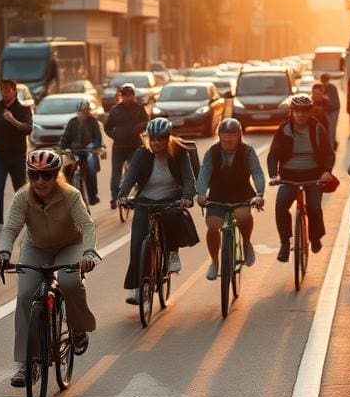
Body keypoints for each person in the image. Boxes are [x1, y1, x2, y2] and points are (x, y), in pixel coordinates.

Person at [0, 150, 98, 387]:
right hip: (36, 247)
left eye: (47, 175)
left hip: (69, 245)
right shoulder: (22, 197)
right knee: (24, 295)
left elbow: (88, 226)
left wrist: (88, 253)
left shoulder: (71, 195)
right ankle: (23, 363)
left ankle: (78, 329)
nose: (40, 181)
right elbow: (10, 229)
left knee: (70, 282)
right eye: (34, 175)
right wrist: (3, 252)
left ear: (56, 175)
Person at [117, 118, 196, 303]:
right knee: (137, 244)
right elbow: (130, 177)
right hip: (145, 199)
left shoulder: (180, 152)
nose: (156, 143)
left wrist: (187, 197)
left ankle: (172, 254)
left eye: (160, 139)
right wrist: (122, 195)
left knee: (173, 215)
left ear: (168, 138)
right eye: (153, 139)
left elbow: (188, 178)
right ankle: (137, 289)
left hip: (171, 198)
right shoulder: (141, 154)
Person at [194, 118, 266, 281]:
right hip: (218, 194)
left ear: (239, 136)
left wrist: (260, 194)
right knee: (213, 225)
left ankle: (246, 242)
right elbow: (204, 173)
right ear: (219, 136)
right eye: (224, 138)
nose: (227, 142)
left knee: (243, 216)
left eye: (231, 138)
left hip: (242, 192)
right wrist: (201, 193)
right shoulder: (212, 152)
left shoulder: (248, 151)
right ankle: (214, 261)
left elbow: (257, 173)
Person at [267, 94, 335, 262]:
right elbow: (273, 155)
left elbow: (328, 154)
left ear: (309, 111)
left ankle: (315, 237)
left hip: (313, 175)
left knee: (314, 208)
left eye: (304, 111)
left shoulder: (317, 128)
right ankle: (284, 243)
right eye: (297, 111)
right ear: (292, 112)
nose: (300, 115)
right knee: (281, 206)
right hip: (289, 176)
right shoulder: (284, 129)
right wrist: (274, 175)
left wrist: (327, 171)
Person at [0, 79, 33, 237]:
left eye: (7, 90)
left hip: (17, 155)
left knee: (20, 191)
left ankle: (25, 220)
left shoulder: (23, 109)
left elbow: (28, 129)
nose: (4, 93)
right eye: (2, 90)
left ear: (14, 91)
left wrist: (12, 120)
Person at [105, 83, 150, 209]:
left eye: (130, 95)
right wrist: (114, 135)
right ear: (122, 96)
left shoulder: (139, 108)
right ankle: (114, 199)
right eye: (125, 95)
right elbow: (107, 127)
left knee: (135, 170)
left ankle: (139, 195)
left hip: (135, 145)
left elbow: (146, 121)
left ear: (134, 96)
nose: (128, 98)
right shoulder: (115, 110)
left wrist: (141, 127)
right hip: (119, 146)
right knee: (116, 174)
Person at [59, 100, 103, 205]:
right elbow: (65, 138)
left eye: (87, 111)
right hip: (74, 152)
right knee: (66, 170)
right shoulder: (72, 122)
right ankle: (67, 195)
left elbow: (98, 138)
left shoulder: (93, 121)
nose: (84, 113)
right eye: (82, 111)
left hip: (89, 151)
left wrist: (94, 147)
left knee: (91, 170)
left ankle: (92, 196)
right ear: (77, 112)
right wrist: (61, 148)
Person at [319, 73, 341, 150]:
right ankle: (331, 145)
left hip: (334, 110)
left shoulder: (331, 88)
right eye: (322, 81)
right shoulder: (323, 87)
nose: (324, 83)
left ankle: (331, 147)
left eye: (325, 81)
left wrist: (325, 100)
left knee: (331, 128)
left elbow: (333, 102)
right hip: (329, 111)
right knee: (329, 129)